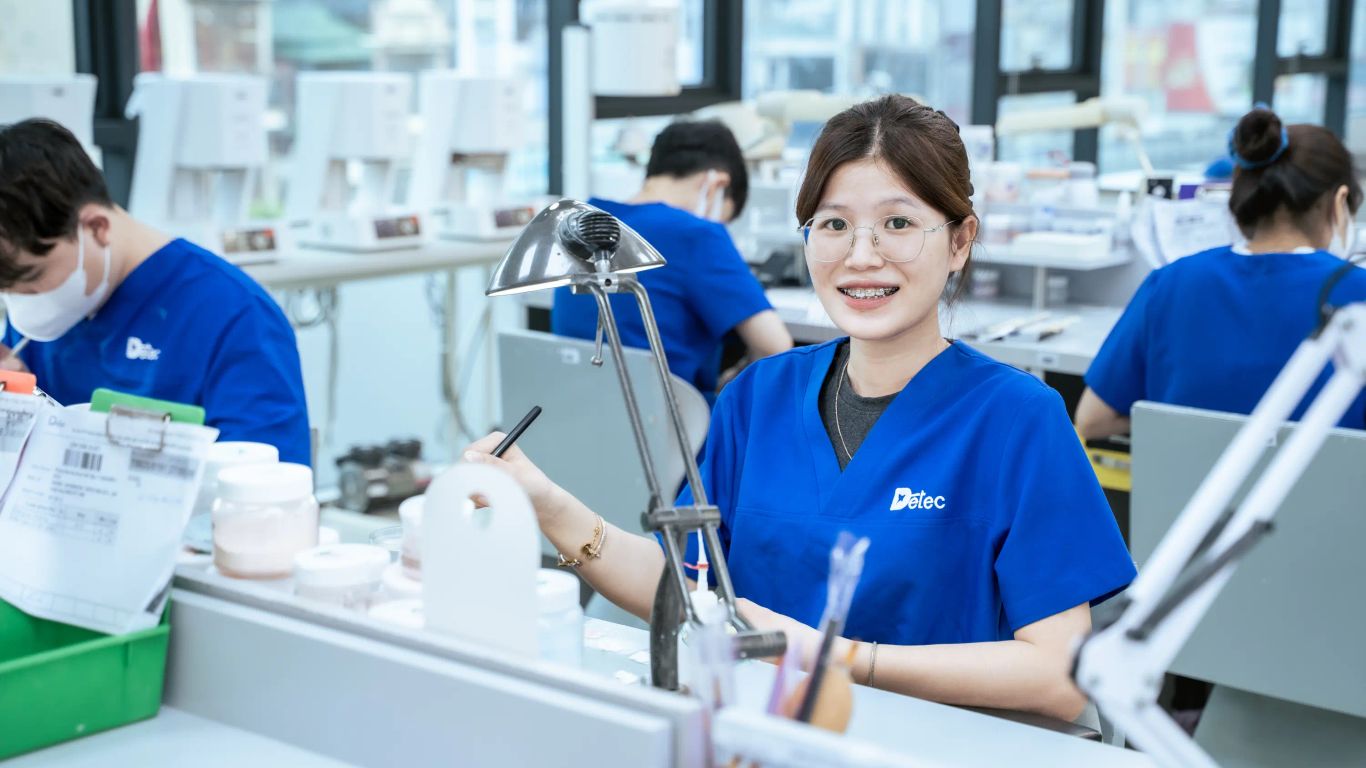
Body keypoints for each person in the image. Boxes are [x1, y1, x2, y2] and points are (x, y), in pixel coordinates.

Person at [468, 96, 1134, 721]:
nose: (861, 256)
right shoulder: (758, 400)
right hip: (767, 738)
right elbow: (692, 589)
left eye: (898, 223)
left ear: (960, 242)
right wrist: (546, 503)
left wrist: (843, 659)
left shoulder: (1019, 420)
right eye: (834, 225)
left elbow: (1062, 678)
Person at [0, 119, 311, 464]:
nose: (21, 304)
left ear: (97, 228)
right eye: (7, 290)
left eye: (32, 279)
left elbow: (268, 484)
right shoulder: (41, 309)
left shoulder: (232, 315)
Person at [1077, 106, 1366, 439]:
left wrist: (1198, 429)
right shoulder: (1356, 293)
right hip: (1325, 490)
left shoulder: (1171, 282)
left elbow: (1092, 419)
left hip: (1186, 491)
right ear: (1339, 201)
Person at [551, 120, 792, 403]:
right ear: (716, 184)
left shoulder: (584, 224)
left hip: (584, 420)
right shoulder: (697, 234)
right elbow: (776, 347)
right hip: (674, 428)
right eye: (723, 216)